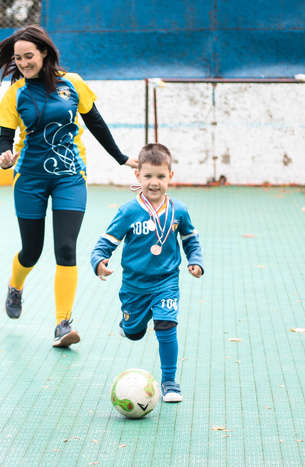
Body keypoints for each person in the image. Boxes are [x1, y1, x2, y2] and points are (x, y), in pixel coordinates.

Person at [0, 24, 138, 348]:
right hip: (30, 179)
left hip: (70, 177)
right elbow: (4, 137)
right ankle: (15, 285)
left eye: (29, 56)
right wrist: (3, 155)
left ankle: (62, 324)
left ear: (44, 53)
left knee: (65, 248)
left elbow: (95, 123)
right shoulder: (15, 94)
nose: (23, 63)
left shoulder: (73, 84)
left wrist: (121, 158)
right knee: (32, 251)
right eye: (18, 59)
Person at [90, 143, 203, 401]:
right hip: (134, 285)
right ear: (137, 175)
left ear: (170, 177)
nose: (154, 183)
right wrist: (99, 260)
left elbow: (191, 241)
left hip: (166, 282)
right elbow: (106, 242)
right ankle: (129, 324)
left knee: (166, 324)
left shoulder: (179, 211)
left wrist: (195, 260)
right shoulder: (128, 212)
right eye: (148, 176)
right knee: (134, 332)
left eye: (161, 176)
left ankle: (170, 382)